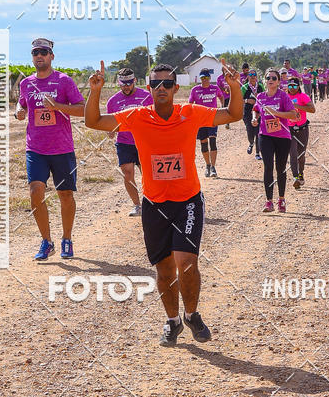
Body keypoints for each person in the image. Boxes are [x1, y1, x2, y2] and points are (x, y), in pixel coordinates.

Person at [85, 60, 243, 347]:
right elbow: (93, 122)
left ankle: (192, 314)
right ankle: (173, 321)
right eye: (155, 84)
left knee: (187, 264)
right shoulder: (136, 116)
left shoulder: (190, 113)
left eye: (167, 84)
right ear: (148, 88)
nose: (161, 88)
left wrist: (233, 86)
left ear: (175, 88)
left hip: (188, 201)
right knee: (164, 269)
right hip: (155, 204)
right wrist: (95, 92)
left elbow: (234, 113)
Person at [14, 38, 85, 260]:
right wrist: (19, 110)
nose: (39, 56)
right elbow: (22, 102)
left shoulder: (64, 81)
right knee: (36, 193)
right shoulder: (26, 83)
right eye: (35, 52)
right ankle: (46, 241)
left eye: (44, 52)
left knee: (65, 194)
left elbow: (82, 109)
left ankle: (66, 239)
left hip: (62, 148)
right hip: (35, 148)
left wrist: (58, 107)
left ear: (52, 56)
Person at [106, 67, 153, 215]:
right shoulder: (113, 101)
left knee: (147, 174)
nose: (126, 86)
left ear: (134, 81)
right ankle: (137, 205)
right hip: (124, 142)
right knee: (127, 173)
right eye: (123, 83)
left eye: (129, 83)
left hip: (144, 141)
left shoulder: (146, 96)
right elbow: (110, 122)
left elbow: (154, 117)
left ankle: (152, 202)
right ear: (118, 83)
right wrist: (110, 130)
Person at [251, 68, 299, 213]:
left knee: (280, 168)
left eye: (273, 78)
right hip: (265, 136)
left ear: (278, 82)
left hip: (282, 137)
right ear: (264, 80)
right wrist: (254, 118)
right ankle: (268, 201)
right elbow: (256, 109)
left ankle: (282, 199)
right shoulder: (260, 96)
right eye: (268, 78)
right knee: (268, 167)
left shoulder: (283, 96)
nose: (270, 80)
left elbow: (293, 114)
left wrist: (277, 114)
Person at [189, 68, 225, 177]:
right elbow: (190, 103)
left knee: (213, 141)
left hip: (213, 118)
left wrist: (222, 107)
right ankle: (207, 165)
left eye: (206, 77)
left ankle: (213, 167)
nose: (205, 80)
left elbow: (221, 96)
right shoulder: (195, 90)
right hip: (200, 120)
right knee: (203, 143)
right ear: (200, 78)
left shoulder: (215, 88)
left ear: (210, 78)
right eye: (202, 78)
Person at [286, 76, 315, 188]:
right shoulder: (284, 96)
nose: (292, 88)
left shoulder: (303, 96)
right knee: (292, 153)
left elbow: (312, 109)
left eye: (294, 85)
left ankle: (301, 173)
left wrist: (296, 106)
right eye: (290, 85)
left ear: (299, 86)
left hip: (302, 129)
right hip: (289, 129)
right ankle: (295, 177)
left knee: (301, 155)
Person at [241, 69, 262, 158]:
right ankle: (251, 143)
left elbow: (266, 97)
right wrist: (247, 100)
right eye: (251, 74)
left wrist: (259, 98)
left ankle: (257, 153)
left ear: (256, 77)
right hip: (247, 112)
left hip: (258, 112)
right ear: (248, 76)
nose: (252, 76)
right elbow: (238, 100)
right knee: (250, 132)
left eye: (254, 75)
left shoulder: (260, 86)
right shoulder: (244, 87)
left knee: (258, 132)